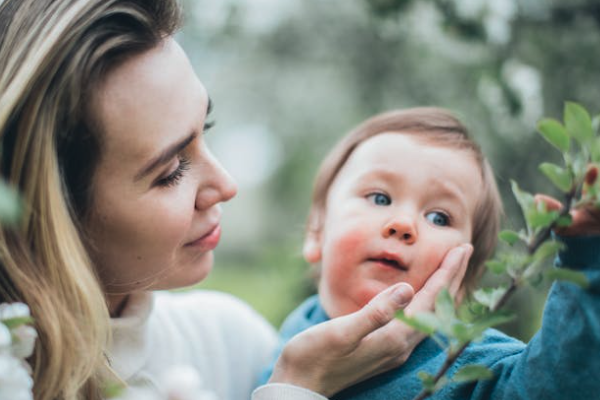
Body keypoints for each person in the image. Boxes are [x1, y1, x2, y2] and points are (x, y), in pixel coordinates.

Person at [0, 1, 471, 400]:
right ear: (55, 210)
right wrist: (297, 387)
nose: (226, 184)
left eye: (204, 131)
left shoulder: (235, 347)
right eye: (170, 172)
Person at [261, 108, 600, 399]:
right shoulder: (294, 336)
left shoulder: (475, 366)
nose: (403, 224)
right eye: (379, 198)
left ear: (465, 278)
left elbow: (562, 380)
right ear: (316, 232)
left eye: (439, 217)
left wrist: (587, 258)